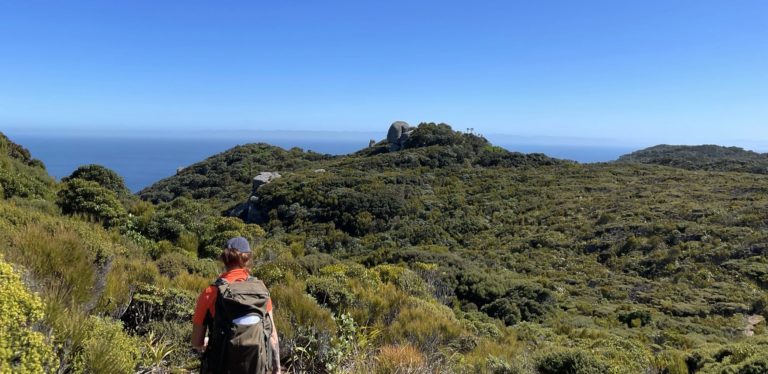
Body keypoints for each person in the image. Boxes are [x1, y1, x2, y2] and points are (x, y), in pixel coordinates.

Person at [192, 237, 281, 374]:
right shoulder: (261, 291)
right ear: (248, 259)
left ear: (224, 259)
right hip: (257, 367)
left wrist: (217, 340)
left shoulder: (210, 293)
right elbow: (272, 337)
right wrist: (277, 369)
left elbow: (197, 342)